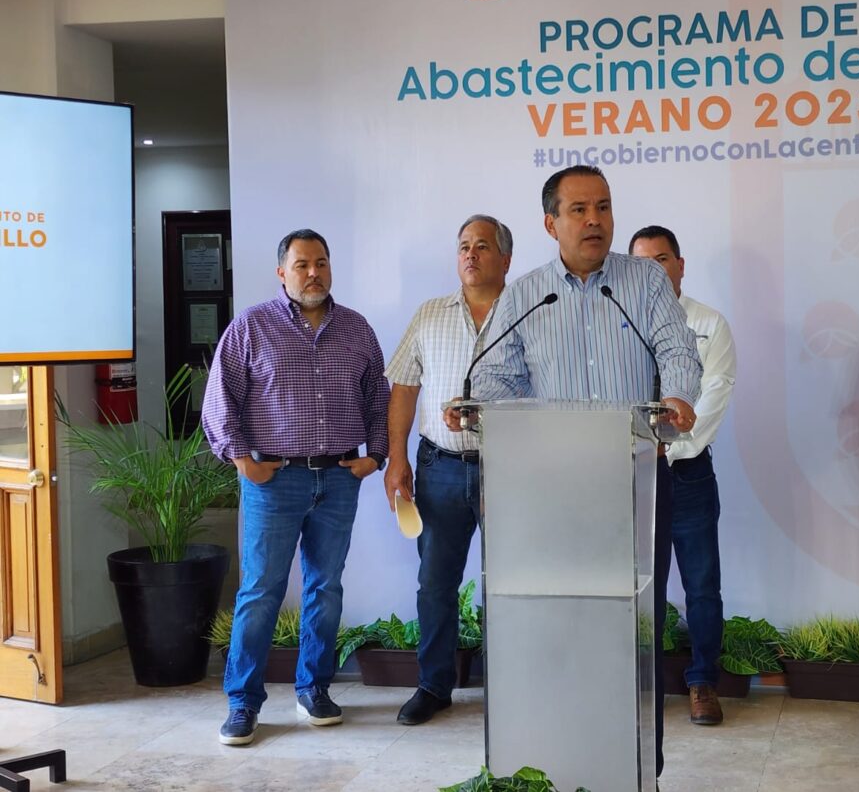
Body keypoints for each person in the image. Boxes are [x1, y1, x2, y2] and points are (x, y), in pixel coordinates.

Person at [446, 165, 702, 778]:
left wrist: (679, 395)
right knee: (557, 621)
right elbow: (496, 376)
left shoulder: (643, 283)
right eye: (580, 209)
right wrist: (474, 408)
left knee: (630, 625)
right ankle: (559, 755)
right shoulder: (528, 291)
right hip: (548, 491)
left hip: (632, 480)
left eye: (604, 207)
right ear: (550, 222)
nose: (595, 220)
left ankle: (638, 768)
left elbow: (676, 350)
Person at [203, 229, 389, 746]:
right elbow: (221, 399)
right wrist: (243, 460)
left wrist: (375, 454)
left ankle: (315, 689)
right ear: (281, 273)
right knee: (260, 591)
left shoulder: (355, 329)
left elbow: (378, 394)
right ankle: (243, 703)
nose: (314, 273)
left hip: (337, 477)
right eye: (302, 264)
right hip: (274, 479)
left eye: (322, 263)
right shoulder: (252, 327)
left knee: (325, 589)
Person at [383, 215, 512, 725]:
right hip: (438, 465)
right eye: (463, 246)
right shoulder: (431, 314)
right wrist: (396, 459)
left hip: (510, 468)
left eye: (482, 246)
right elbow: (404, 389)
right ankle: (434, 685)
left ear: (505, 258)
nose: (470, 255)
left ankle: (511, 683)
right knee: (435, 582)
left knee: (508, 580)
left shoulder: (531, 311)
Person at [629, 225, 736, 727]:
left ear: (681, 264)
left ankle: (702, 683)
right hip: (627, 472)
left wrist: (667, 448)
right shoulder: (619, 320)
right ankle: (634, 681)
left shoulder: (710, 324)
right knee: (633, 583)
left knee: (701, 584)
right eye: (641, 261)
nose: (653, 269)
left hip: (687, 472)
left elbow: (711, 397)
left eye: (662, 258)